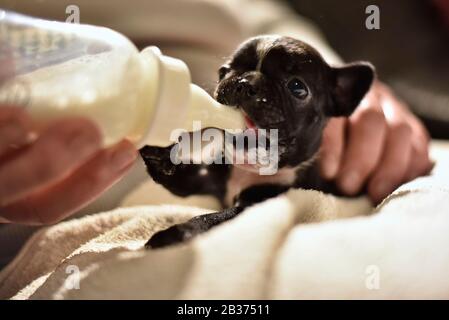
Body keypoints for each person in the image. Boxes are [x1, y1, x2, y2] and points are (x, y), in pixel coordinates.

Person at [0, 0, 433, 227]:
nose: (244, 87)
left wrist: (329, 78)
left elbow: (264, 14)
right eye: (233, 75)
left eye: (293, 88)